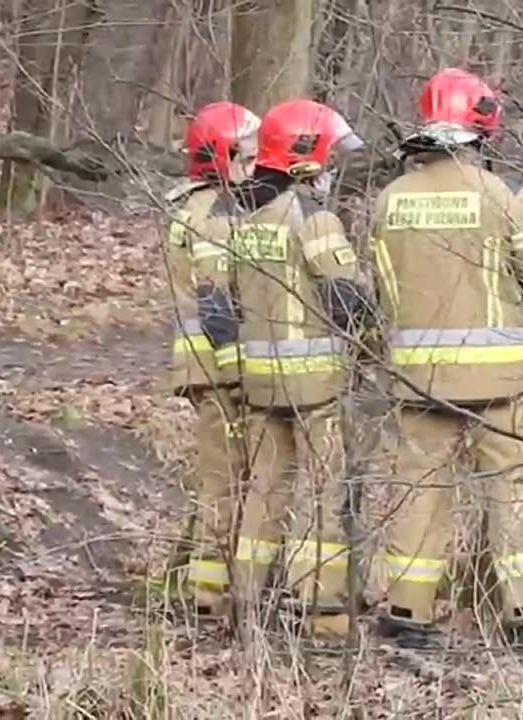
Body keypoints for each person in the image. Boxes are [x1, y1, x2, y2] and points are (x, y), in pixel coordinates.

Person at [368, 67, 523, 646]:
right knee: (517, 494)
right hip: (500, 382)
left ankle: (407, 613)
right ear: (483, 127)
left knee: (418, 495)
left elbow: (383, 291)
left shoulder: (390, 199)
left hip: (419, 380)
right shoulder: (499, 197)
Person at [197, 98, 373, 637]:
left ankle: (247, 596)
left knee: (265, 488)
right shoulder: (311, 216)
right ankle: (322, 606)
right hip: (313, 382)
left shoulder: (234, 215)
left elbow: (216, 309)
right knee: (325, 489)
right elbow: (348, 300)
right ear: (307, 154)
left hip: (257, 379)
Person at [161, 101, 259, 617]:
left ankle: (198, 580)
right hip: (222, 369)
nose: (258, 162)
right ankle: (208, 595)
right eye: (248, 153)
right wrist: (243, 370)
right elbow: (220, 305)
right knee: (226, 482)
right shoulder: (216, 216)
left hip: (202, 366)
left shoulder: (190, 207)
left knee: (219, 479)